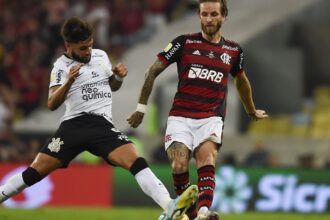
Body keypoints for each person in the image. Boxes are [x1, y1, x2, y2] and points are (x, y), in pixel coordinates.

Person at [0, 17, 198, 220]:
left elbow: (112, 85)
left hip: (102, 126)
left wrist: (118, 76)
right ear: (68, 45)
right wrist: (69, 82)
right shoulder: (60, 67)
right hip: (73, 126)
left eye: (90, 45)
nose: (88, 51)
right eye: (83, 48)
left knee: (136, 161)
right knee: (33, 174)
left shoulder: (100, 56)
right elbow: (51, 104)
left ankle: (170, 207)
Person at [127, 1, 268, 219]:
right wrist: (141, 108)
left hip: (210, 117)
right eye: (204, 14)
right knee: (179, 164)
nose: (209, 19)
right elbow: (152, 71)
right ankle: (193, 215)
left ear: (224, 16)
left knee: (207, 158)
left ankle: (203, 211)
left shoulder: (233, 50)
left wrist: (251, 111)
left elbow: (241, 81)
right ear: (198, 15)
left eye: (214, 14)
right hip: (180, 117)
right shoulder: (183, 43)